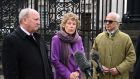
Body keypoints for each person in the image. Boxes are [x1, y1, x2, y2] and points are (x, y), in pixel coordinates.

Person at [2, 8, 54, 79]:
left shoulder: (39, 38)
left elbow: (47, 66)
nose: (39, 22)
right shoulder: (11, 40)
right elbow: (10, 73)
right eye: (36, 19)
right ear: (24, 20)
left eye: (39, 19)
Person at [92, 12, 136, 79]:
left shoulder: (126, 38)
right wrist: (99, 67)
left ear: (117, 23)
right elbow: (93, 55)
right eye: (106, 21)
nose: (107, 23)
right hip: (102, 76)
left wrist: (119, 69)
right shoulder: (99, 37)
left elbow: (131, 57)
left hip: (119, 77)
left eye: (110, 21)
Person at [51, 12, 85, 79]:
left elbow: (82, 58)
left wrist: (77, 71)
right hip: (62, 76)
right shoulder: (56, 39)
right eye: (69, 23)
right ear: (64, 25)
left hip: (76, 76)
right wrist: (68, 75)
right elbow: (55, 60)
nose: (71, 26)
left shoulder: (78, 39)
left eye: (74, 24)